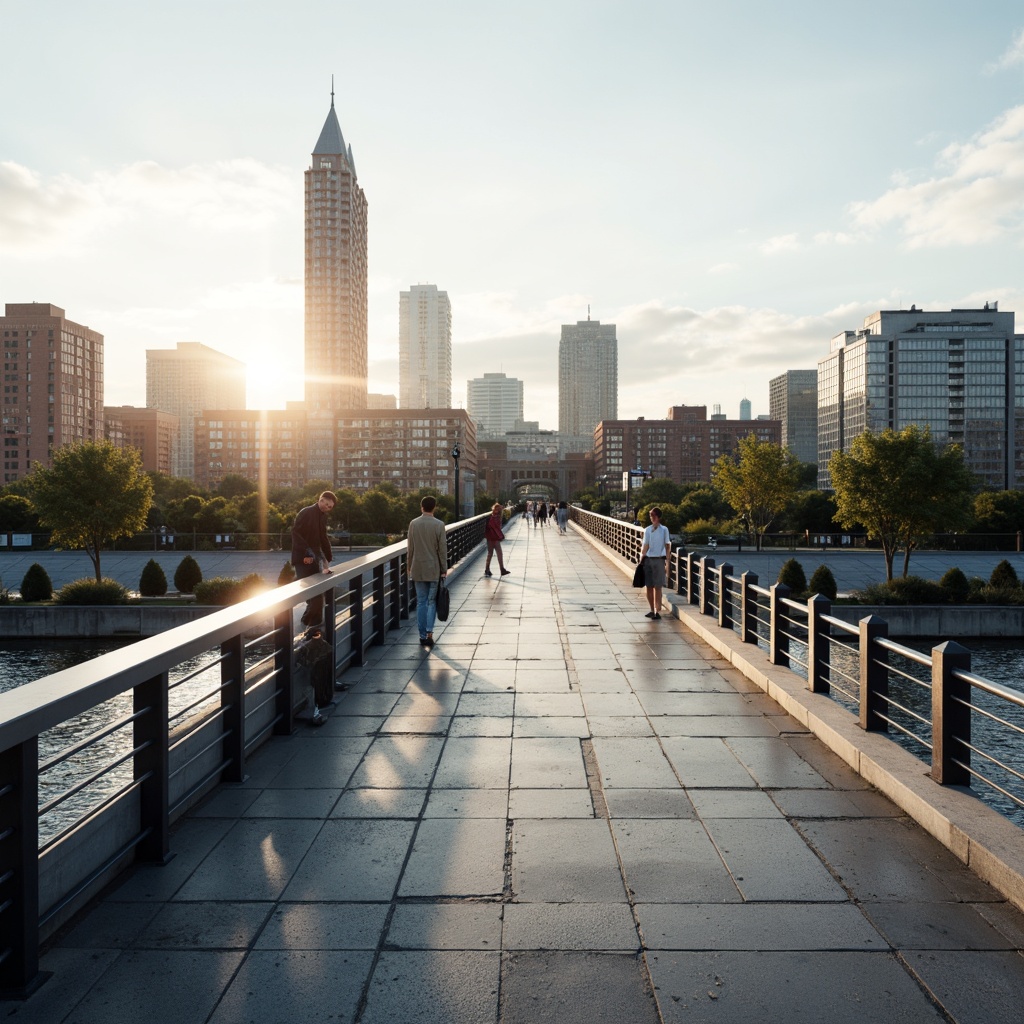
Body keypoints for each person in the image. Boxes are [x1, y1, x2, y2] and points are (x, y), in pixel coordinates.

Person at [291, 490, 337, 629]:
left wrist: (327, 557)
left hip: (314, 559)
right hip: (303, 559)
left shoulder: (322, 517)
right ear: (321, 499)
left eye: (330, 507)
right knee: (315, 597)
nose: (327, 508)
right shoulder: (306, 512)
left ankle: (312, 631)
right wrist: (307, 551)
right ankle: (306, 625)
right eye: (326, 504)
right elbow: (295, 533)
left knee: (317, 595)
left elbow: (323, 537)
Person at [407, 495, 448, 648]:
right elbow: (442, 550)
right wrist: (444, 569)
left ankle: (422, 635)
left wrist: (409, 565)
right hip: (433, 568)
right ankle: (430, 633)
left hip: (417, 567)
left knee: (421, 602)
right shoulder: (439, 525)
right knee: (431, 602)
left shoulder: (413, 524)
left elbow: (410, 548)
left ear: (421, 507)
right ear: (434, 507)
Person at [640, 506, 671, 620]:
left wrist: (667, 561)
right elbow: (645, 544)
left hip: (659, 559)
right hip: (648, 559)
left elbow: (667, 545)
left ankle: (657, 610)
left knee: (658, 586)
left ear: (658, 517)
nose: (651, 518)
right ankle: (651, 609)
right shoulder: (647, 529)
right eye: (650, 515)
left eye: (653, 515)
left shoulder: (664, 530)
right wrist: (642, 558)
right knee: (649, 586)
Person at [484, 502, 511, 577]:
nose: (498, 511)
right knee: (492, 554)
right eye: (497, 509)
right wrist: (500, 536)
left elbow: (497, 528)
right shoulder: (492, 518)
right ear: (494, 509)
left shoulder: (496, 517)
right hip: (492, 538)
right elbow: (495, 528)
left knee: (497, 553)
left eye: (499, 510)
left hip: (494, 538)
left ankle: (500, 569)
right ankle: (488, 569)